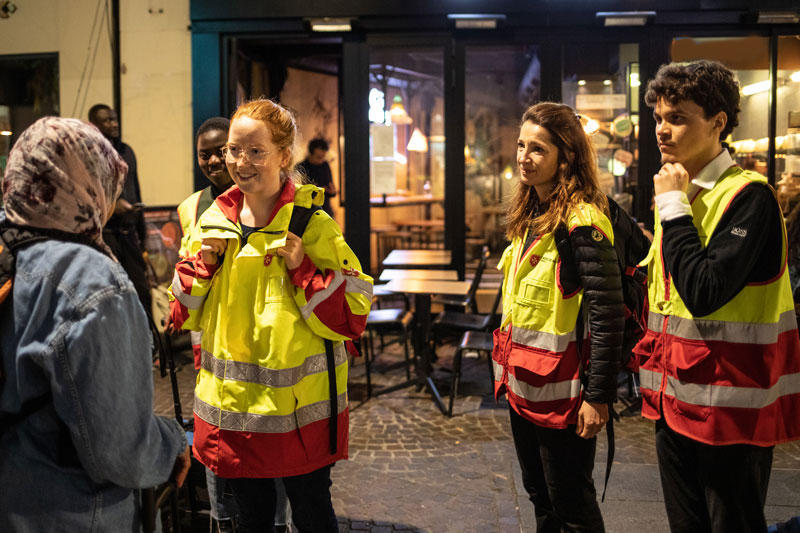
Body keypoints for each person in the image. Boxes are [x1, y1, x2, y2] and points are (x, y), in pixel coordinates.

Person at [169, 98, 372, 532]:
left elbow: (351, 318)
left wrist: (304, 270)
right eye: (233, 150)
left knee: (313, 515)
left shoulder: (313, 225)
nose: (241, 162)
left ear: (283, 156)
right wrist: (202, 266)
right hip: (235, 416)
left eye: (255, 151)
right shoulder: (209, 224)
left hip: (299, 421)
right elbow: (178, 315)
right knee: (251, 522)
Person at [0, 117, 190, 531]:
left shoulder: (9, 250)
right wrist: (172, 440)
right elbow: (120, 450)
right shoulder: (89, 278)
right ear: (87, 186)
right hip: (74, 511)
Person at [637, 60, 800, 532]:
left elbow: (704, 291)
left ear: (718, 122)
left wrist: (671, 206)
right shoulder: (683, 194)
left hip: (731, 407)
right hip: (676, 400)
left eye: (678, 117)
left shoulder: (749, 196)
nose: (662, 131)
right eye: (659, 119)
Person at [492, 102, 624, 532]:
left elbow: (607, 313)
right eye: (520, 145)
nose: (523, 157)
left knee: (572, 506)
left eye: (537, 149)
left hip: (565, 395)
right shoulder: (531, 214)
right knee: (539, 495)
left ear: (566, 157)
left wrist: (598, 396)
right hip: (524, 386)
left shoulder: (582, 220)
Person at [88, 103, 152, 316]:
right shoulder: (91, 154)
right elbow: (88, 195)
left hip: (130, 232)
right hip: (106, 235)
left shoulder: (126, 151)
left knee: (142, 291)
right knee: (112, 291)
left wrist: (143, 236)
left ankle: (149, 344)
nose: (114, 124)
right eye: (107, 120)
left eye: (114, 119)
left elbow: (136, 189)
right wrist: (113, 208)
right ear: (94, 124)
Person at [296, 138, 336, 217]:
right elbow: (299, 192)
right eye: (318, 157)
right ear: (311, 154)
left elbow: (331, 188)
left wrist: (331, 191)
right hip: (307, 212)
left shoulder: (325, 165)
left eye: (323, 157)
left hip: (325, 210)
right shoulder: (301, 167)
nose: (321, 160)